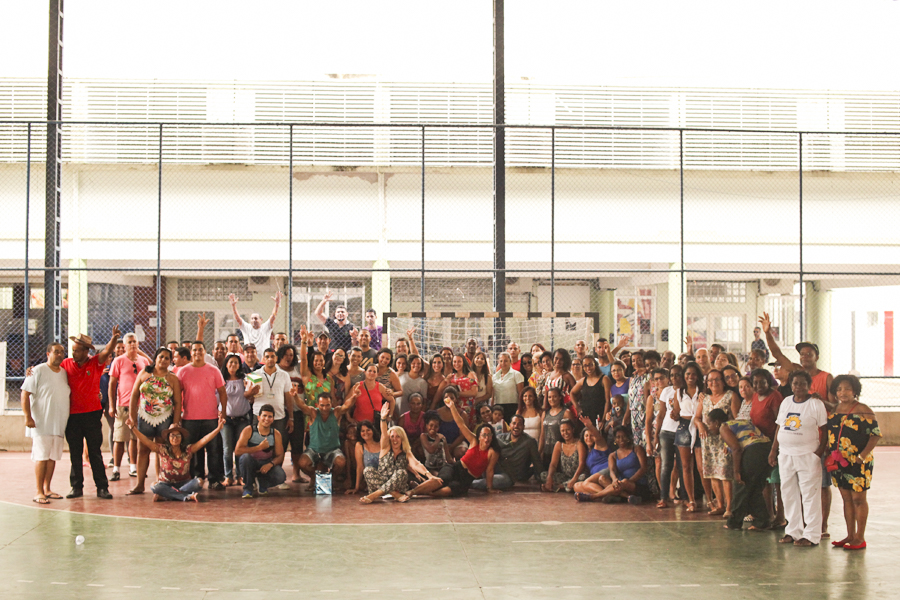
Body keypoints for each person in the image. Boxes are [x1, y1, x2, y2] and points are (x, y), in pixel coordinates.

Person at [760, 312, 835, 535]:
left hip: (816, 439)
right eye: (802, 354)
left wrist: (823, 403)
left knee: (820, 484)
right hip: (794, 443)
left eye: (809, 354)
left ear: (816, 356)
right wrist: (767, 333)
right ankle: (798, 527)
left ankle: (822, 526)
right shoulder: (796, 373)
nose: (804, 357)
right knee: (795, 486)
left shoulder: (826, 377)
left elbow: (835, 406)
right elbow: (776, 353)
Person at [768, 370, 828, 547]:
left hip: (808, 454)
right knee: (788, 493)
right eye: (795, 383)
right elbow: (779, 427)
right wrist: (774, 450)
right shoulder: (786, 402)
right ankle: (793, 531)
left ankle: (811, 535)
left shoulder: (816, 404)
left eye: (803, 383)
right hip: (786, 454)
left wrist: (819, 452)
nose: (799, 387)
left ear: (809, 386)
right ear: (791, 385)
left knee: (810, 494)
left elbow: (824, 430)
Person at [61, 329, 120, 499]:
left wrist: (114, 338)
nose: (73, 353)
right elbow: (51, 369)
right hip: (72, 416)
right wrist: (32, 372)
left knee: (95, 452)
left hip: (92, 414)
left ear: (86, 351)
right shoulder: (66, 363)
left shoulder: (95, 362)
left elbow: (108, 351)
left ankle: (102, 487)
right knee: (75, 453)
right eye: (73, 349)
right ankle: (76, 487)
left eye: (77, 350)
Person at [826, 375, 881, 550]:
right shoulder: (834, 410)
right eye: (839, 389)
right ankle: (850, 535)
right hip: (839, 462)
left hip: (859, 462)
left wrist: (862, 456)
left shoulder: (863, 409)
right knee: (846, 499)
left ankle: (860, 537)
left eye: (847, 388)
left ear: (855, 391)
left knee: (858, 498)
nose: (843, 392)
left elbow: (875, 434)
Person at [411, 396, 501, 497]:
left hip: (466, 479)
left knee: (447, 491)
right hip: (455, 468)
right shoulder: (474, 440)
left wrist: (490, 489)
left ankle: (421, 489)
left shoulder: (493, 452)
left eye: (489, 435)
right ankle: (411, 492)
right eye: (484, 435)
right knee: (441, 481)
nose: (486, 438)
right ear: (479, 437)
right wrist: (452, 407)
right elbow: (461, 424)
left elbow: (490, 470)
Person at [706, 408, 774, 531]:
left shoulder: (724, 427)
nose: (709, 427)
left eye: (709, 423)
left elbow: (737, 449)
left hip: (754, 451)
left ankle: (734, 522)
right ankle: (762, 521)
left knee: (740, 486)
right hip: (768, 450)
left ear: (716, 422)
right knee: (754, 488)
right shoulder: (739, 422)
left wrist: (737, 471)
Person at [127, 347, 182, 495]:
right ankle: (139, 484)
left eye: (166, 358)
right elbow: (133, 396)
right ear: (156, 358)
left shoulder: (173, 378)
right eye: (161, 357)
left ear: (170, 361)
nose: (163, 360)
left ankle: (160, 482)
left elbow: (177, 402)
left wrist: (175, 424)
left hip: (165, 418)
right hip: (145, 417)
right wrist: (132, 417)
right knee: (142, 450)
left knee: (162, 451)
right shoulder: (144, 373)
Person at [129, 418, 225, 502]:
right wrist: (133, 428)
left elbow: (204, 440)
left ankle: (168, 496)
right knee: (155, 486)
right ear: (168, 438)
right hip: (165, 484)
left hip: (184, 483)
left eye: (178, 436)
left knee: (199, 482)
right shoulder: (162, 449)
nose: (175, 438)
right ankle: (186, 497)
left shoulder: (188, 450)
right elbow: (146, 441)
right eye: (172, 436)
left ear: (182, 438)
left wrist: (218, 429)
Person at [21, 342, 70, 504]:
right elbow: (25, 394)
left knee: (52, 457)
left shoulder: (64, 372)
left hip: (58, 423)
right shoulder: (37, 370)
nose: (59, 355)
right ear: (48, 353)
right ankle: (38, 491)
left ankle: (48, 488)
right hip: (41, 423)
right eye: (56, 352)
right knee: (41, 457)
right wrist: (28, 416)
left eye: (62, 352)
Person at [177, 341, 228, 490]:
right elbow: (177, 394)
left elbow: (222, 392)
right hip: (189, 418)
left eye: (200, 349)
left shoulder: (213, 370)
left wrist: (222, 412)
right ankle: (195, 478)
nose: (197, 352)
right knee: (192, 451)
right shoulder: (183, 371)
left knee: (213, 449)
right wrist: (178, 414)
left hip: (210, 418)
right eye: (194, 350)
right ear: (190, 352)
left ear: (205, 352)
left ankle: (215, 479)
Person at [107, 333, 151, 482]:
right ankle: (116, 469)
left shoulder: (143, 360)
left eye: (135, 342)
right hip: (123, 405)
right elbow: (112, 384)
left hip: (141, 406)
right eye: (130, 342)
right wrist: (112, 406)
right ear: (124, 345)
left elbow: (152, 371)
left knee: (135, 438)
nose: (132, 344)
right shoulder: (118, 361)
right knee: (119, 438)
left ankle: (133, 467)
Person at [251, 347, 296, 488]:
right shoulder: (255, 374)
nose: (270, 359)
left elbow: (288, 396)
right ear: (263, 359)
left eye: (272, 356)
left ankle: (276, 478)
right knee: (256, 447)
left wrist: (291, 417)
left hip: (279, 416)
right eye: (267, 356)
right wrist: (250, 392)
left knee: (279, 447)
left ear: (276, 358)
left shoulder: (284, 375)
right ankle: (253, 479)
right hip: (259, 415)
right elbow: (249, 397)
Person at [297, 391, 357, 489]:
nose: (325, 408)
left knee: (341, 462)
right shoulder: (313, 412)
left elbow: (346, 406)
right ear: (317, 404)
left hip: (332, 449)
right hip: (314, 450)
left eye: (327, 405)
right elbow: (302, 406)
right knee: (302, 463)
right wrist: (295, 396)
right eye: (322, 405)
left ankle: (331, 479)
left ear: (331, 404)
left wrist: (354, 396)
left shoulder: (336, 412)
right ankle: (314, 478)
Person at [575, 426, 650, 504]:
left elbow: (643, 468)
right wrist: (614, 480)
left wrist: (629, 481)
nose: (621, 439)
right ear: (615, 440)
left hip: (637, 484)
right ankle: (627, 497)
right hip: (620, 485)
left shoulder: (637, 449)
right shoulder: (613, 455)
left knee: (624, 482)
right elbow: (612, 471)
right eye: (618, 437)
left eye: (623, 436)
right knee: (602, 478)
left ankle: (592, 496)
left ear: (628, 437)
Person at [696, 369, 734, 516]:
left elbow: (736, 419)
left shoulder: (730, 396)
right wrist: (700, 425)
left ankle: (729, 508)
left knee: (725, 473)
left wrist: (728, 441)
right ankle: (720, 505)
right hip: (708, 441)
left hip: (724, 440)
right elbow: (697, 417)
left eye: (717, 379)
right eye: (710, 380)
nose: (713, 383)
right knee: (712, 473)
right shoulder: (704, 398)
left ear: (723, 381)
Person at [361, 404, 415, 503]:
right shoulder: (385, 448)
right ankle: (394, 494)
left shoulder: (405, 451)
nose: (395, 439)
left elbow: (415, 464)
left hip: (397, 485)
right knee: (367, 470)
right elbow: (384, 432)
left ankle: (374, 495)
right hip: (381, 484)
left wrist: (426, 474)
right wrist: (383, 418)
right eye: (392, 436)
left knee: (401, 472)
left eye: (397, 436)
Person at [472, 414, 542, 491]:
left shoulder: (530, 442)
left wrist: (543, 481)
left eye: (519, 424)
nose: (516, 426)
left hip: (509, 475)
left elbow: (537, 462)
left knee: (484, 483)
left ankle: (465, 484)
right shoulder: (499, 438)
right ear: (510, 425)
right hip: (492, 468)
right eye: (514, 423)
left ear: (523, 427)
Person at [235, 404, 286, 498]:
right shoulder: (248, 430)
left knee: (281, 476)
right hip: (251, 462)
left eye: (270, 416)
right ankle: (248, 488)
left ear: (273, 419)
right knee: (245, 458)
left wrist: (270, 464)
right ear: (258, 417)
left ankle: (263, 483)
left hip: (265, 463)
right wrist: (258, 447)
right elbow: (238, 451)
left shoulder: (276, 434)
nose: (267, 419)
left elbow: (280, 456)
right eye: (264, 416)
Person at [671, 362, 702, 512]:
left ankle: (709, 498)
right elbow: (676, 413)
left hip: (699, 425)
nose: (690, 377)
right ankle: (691, 499)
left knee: (702, 467)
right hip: (684, 427)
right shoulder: (679, 392)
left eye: (693, 374)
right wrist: (674, 415)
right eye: (688, 374)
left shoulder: (703, 391)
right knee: (685, 466)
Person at [221, 354, 252, 487]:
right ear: (226, 364)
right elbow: (217, 399)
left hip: (242, 420)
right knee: (227, 450)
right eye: (230, 362)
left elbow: (251, 397)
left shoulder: (245, 379)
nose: (233, 365)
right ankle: (228, 476)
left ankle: (240, 476)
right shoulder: (221, 380)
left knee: (240, 449)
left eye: (236, 363)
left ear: (240, 365)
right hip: (226, 420)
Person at [655, 365, 682, 508]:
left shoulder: (687, 391)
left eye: (677, 375)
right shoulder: (666, 391)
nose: (674, 378)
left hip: (683, 431)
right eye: (672, 375)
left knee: (683, 466)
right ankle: (663, 497)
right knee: (666, 466)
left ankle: (684, 497)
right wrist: (656, 435)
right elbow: (661, 414)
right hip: (666, 432)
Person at [541, 419, 586, 493]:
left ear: (573, 430)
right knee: (543, 475)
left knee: (583, 478)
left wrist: (574, 479)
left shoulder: (579, 444)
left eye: (568, 430)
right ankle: (564, 486)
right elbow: (553, 464)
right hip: (565, 477)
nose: (565, 433)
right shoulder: (559, 444)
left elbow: (582, 464)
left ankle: (559, 487)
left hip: (578, 476)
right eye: (562, 431)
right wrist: (549, 478)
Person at [572, 417, 613, 497]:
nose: (589, 438)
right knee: (576, 486)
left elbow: (598, 437)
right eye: (586, 436)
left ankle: (607, 494)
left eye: (591, 435)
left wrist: (590, 426)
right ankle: (606, 495)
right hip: (594, 479)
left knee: (586, 483)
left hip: (606, 473)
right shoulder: (587, 452)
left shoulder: (600, 445)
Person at [539, 387, 574, 466]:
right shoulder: (545, 413)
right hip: (547, 452)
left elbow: (572, 433)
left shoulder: (566, 413)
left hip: (561, 453)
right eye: (550, 397)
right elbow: (542, 435)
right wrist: (539, 452)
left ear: (560, 397)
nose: (552, 399)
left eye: (554, 396)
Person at [345, 420, 381, 495]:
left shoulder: (381, 443)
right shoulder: (359, 445)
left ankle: (387, 490)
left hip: (385, 476)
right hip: (372, 479)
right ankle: (385, 491)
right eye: (363, 431)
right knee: (367, 470)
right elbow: (360, 467)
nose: (366, 433)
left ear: (373, 430)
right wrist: (356, 488)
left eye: (368, 430)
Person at [571, 357, 608, 427]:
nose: (588, 368)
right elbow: (572, 393)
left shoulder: (604, 379)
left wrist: (603, 420)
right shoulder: (583, 380)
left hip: (599, 416)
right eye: (585, 365)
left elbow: (608, 401)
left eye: (590, 365)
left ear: (595, 365)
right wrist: (577, 407)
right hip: (585, 417)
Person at [493, 352, 525, 421]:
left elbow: (521, 393)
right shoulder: (494, 377)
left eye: (506, 361)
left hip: (512, 407)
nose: (503, 363)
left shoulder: (516, 374)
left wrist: (520, 408)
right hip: (498, 408)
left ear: (510, 361)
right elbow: (493, 394)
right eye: (501, 361)